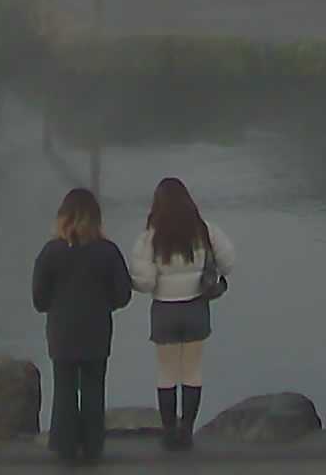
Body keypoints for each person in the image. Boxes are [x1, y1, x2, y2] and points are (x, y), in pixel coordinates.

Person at [31, 187, 135, 463]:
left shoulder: (50, 252)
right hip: (96, 329)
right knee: (93, 387)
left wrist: (54, 306)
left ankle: (64, 446)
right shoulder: (108, 251)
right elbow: (123, 294)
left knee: (64, 388)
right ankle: (92, 446)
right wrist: (106, 304)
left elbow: (39, 298)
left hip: (62, 330)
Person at [128, 177, 233, 452]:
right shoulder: (205, 231)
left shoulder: (149, 238)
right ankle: (186, 430)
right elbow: (229, 261)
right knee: (192, 370)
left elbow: (145, 281)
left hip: (164, 309)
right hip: (196, 307)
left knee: (166, 372)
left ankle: (168, 431)